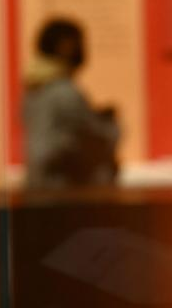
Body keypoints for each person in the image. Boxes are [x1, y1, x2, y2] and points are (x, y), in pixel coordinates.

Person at [22, 18, 120, 188]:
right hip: (61, 187)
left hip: (44, 182)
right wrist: (110, 125)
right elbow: (91, 136)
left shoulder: (36, 88)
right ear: (66, 46)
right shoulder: (63, 91)